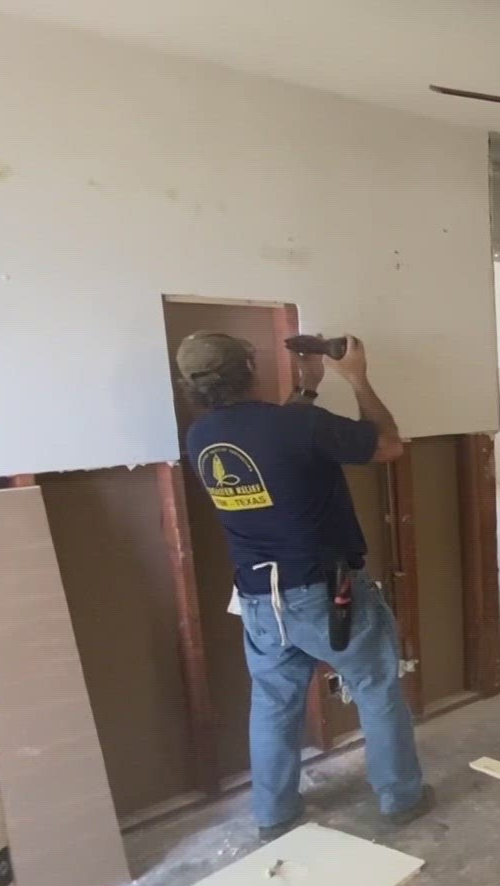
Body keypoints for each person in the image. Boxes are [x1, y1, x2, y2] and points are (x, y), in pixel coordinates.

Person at [175, 332, 432, 838]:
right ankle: (400, 797)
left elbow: (275, 443)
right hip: (323, 592)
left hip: (257, 599)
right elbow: (387, 446)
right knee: (376, 688)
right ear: (249, 366)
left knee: (273, 704)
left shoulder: (203, 436)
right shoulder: (296, 426)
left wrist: (310, 387)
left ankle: (274, 814)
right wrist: (355, 377)